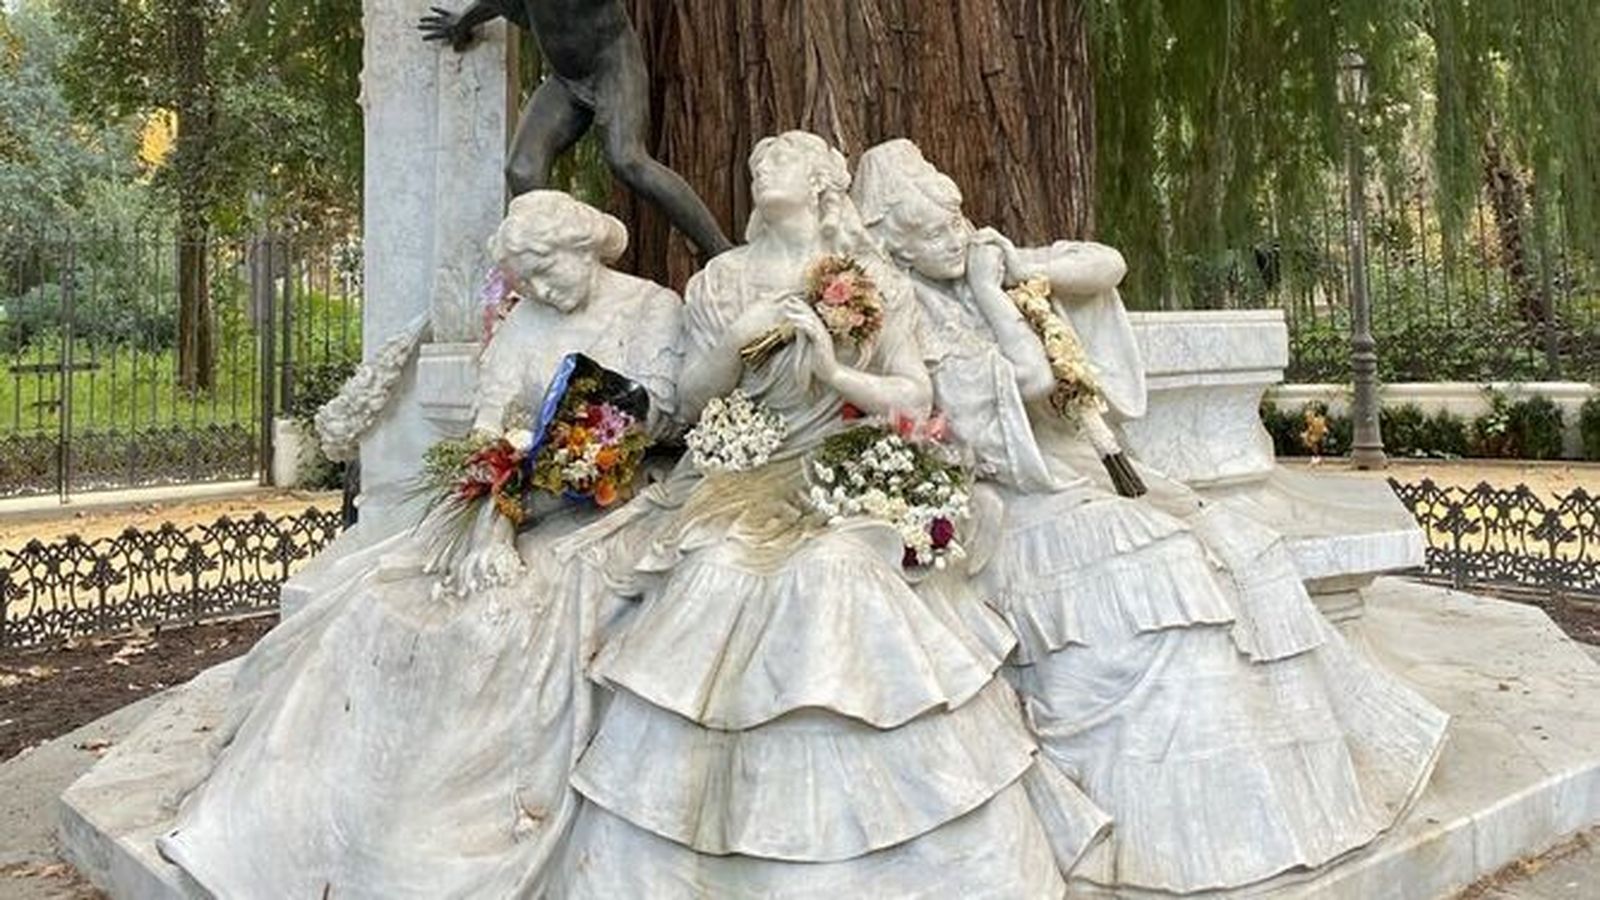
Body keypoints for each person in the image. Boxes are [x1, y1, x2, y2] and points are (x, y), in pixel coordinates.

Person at [853, 138, 1450, 894]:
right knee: (1157, 564)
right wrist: (994, 295)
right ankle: (1175, 838)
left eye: (956, 218)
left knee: (1239, 544)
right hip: (1012, 504)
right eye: (933, 229)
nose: (955, 235)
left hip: (1077, 481)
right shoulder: (911, 322)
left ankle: (1269, 810)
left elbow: (1105, 264)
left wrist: (1018, 263)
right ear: (895, 243)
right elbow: (1031, 381)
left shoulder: (985, 268)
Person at [542, 131, 1106, 897]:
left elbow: (915, 396)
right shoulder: (721, 281)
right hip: (742, 474)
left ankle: (864, 849)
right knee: (712, 571)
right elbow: (696, 398)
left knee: (838, 572)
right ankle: (712, 847)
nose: (761, 168)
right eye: (755, 163)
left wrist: (835, 371)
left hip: (844, 471)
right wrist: (738, 344)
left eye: (780, 160)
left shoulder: (870, 280)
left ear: (822, 185)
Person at [156, 192, 686, 898]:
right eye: (527, 280)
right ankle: (326, 814)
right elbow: (487, 425)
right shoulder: (526, 321)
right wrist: (496, 512)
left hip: (611, 504)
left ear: (584, 249)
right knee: (379, 598)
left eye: (549, 272)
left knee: (501, 623)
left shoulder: (650, 308)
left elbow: (669, 412)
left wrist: (592, 455)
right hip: (519, 502)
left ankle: (447, 832)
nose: (541, 291)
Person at [419, 0, 733, 258]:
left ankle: (721, 251)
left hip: (612, 65)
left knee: (628, 159)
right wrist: (461, 24)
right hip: (566, 82)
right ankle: (555, 269)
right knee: (522, 171)